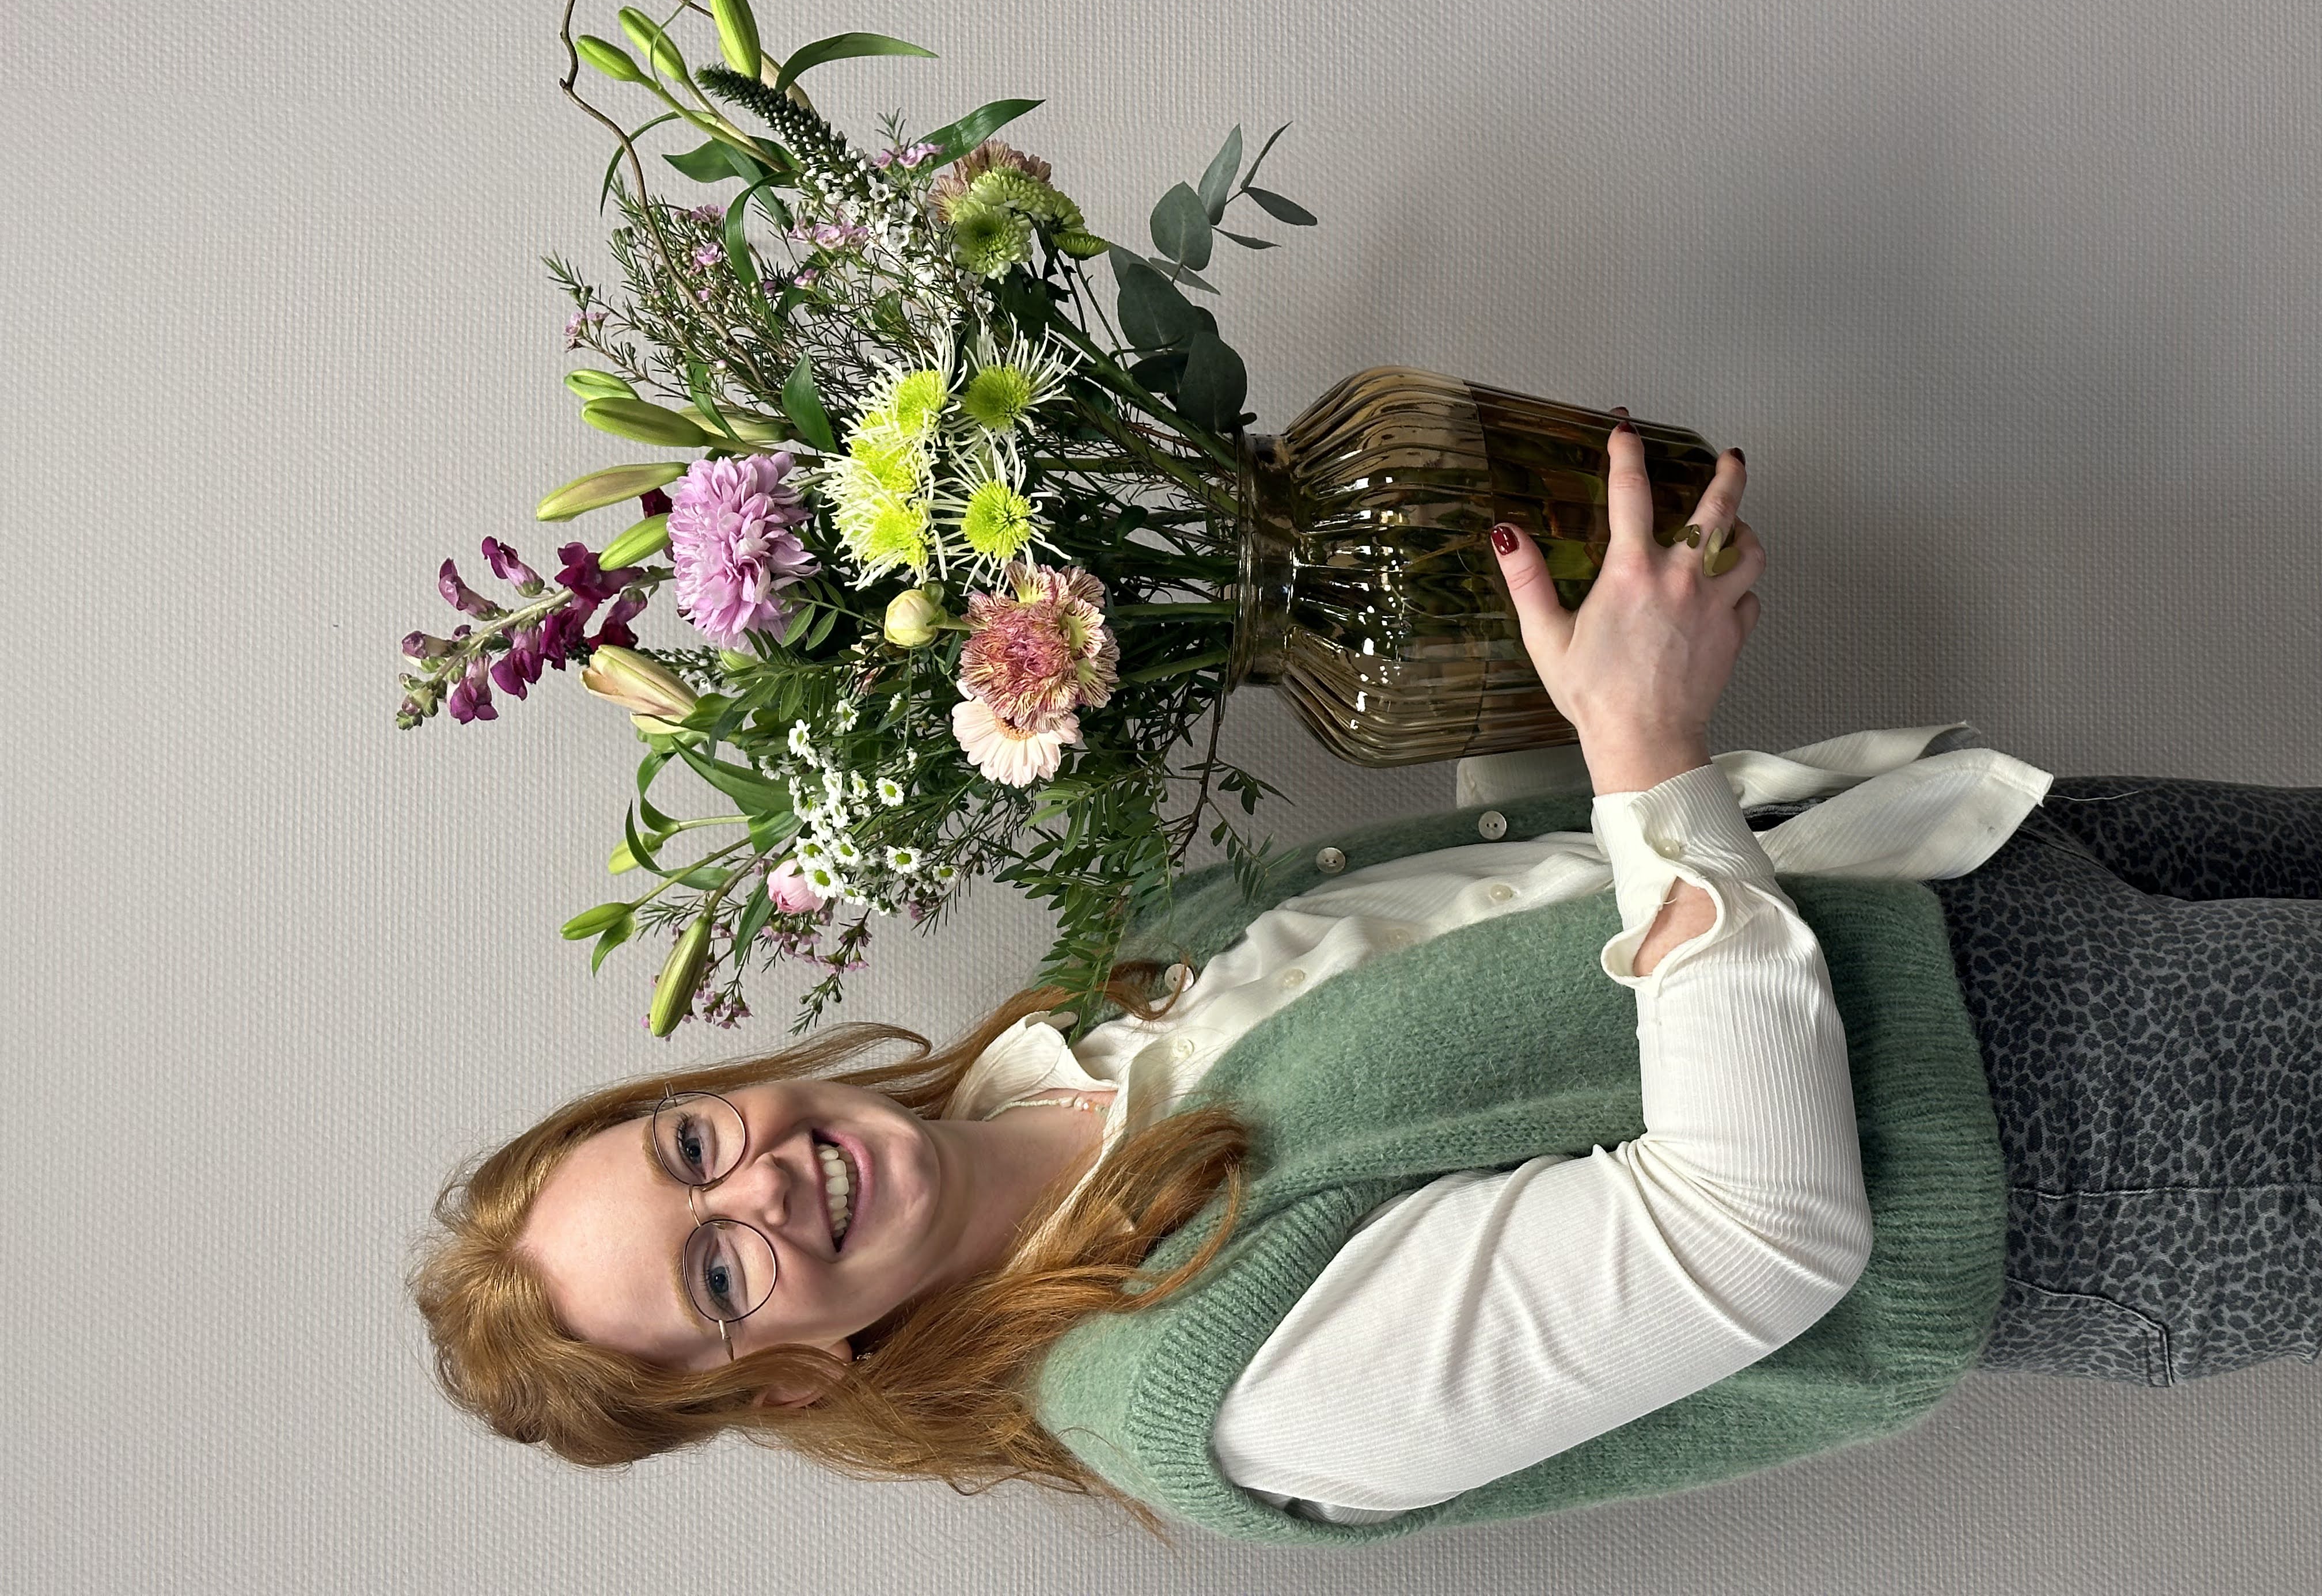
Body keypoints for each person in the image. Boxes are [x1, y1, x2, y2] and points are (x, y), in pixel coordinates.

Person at [411, 423, 2322, 1544]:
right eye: (715, 1269)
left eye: (682, 1147)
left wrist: (1501, 623)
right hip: (2112, 1140)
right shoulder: (1195, 1393)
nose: (753, 1183)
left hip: (1970, 857)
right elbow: (1752, 1238)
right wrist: (1647, 755)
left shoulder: (1068, 1028)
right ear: (792, 1373)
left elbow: (1504, 943)